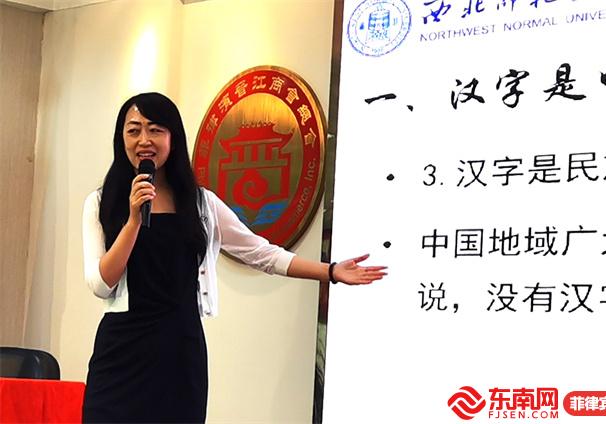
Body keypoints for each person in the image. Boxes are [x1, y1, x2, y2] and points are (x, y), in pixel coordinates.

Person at [81, 92, 387, 423]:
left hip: (179, 351)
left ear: (173, 138)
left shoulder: (201, 204)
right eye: (133, 130)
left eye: (155, 130)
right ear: (121, 138)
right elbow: (101, 284)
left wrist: (331, 271)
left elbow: (261, 253)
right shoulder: (101, 203)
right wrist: (133, 221)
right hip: (121, 352)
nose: (144, 140)